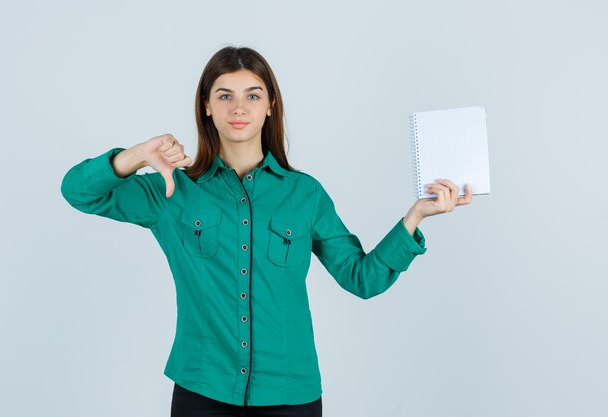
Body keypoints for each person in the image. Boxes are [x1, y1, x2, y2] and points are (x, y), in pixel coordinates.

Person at [60, 45, 472, 417]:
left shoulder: (305, 194)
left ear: (270, 105)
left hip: (291, 396)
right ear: (206, 106)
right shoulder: (171, 191)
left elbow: (361, 278)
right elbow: (78, 192)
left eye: (252, 95)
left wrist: (415, 217)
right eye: (225, 96)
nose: (239, 108)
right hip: (202, 392)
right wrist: (136, 155)